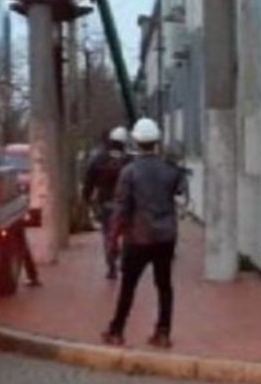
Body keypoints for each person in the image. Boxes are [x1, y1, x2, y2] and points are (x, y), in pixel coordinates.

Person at [102, 118, 186, 349]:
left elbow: (121, 209)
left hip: (138, 237)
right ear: (157, 141)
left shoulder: (129, 172)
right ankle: (163, 332)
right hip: (166, 237)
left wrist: (112, 239)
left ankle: (116, 331)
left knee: (128, 286)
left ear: (136, 142)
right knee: (164, 285)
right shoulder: (170, 170)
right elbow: (180, 193)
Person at [84, 126, 130, 280]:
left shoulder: (99, 158)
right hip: (126, 203)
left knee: (108, 233)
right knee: (127, 232)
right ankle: (124, 259)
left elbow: (89, 180)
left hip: (105, 202)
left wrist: (86, 198)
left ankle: (111, 266)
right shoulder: (129, 160)